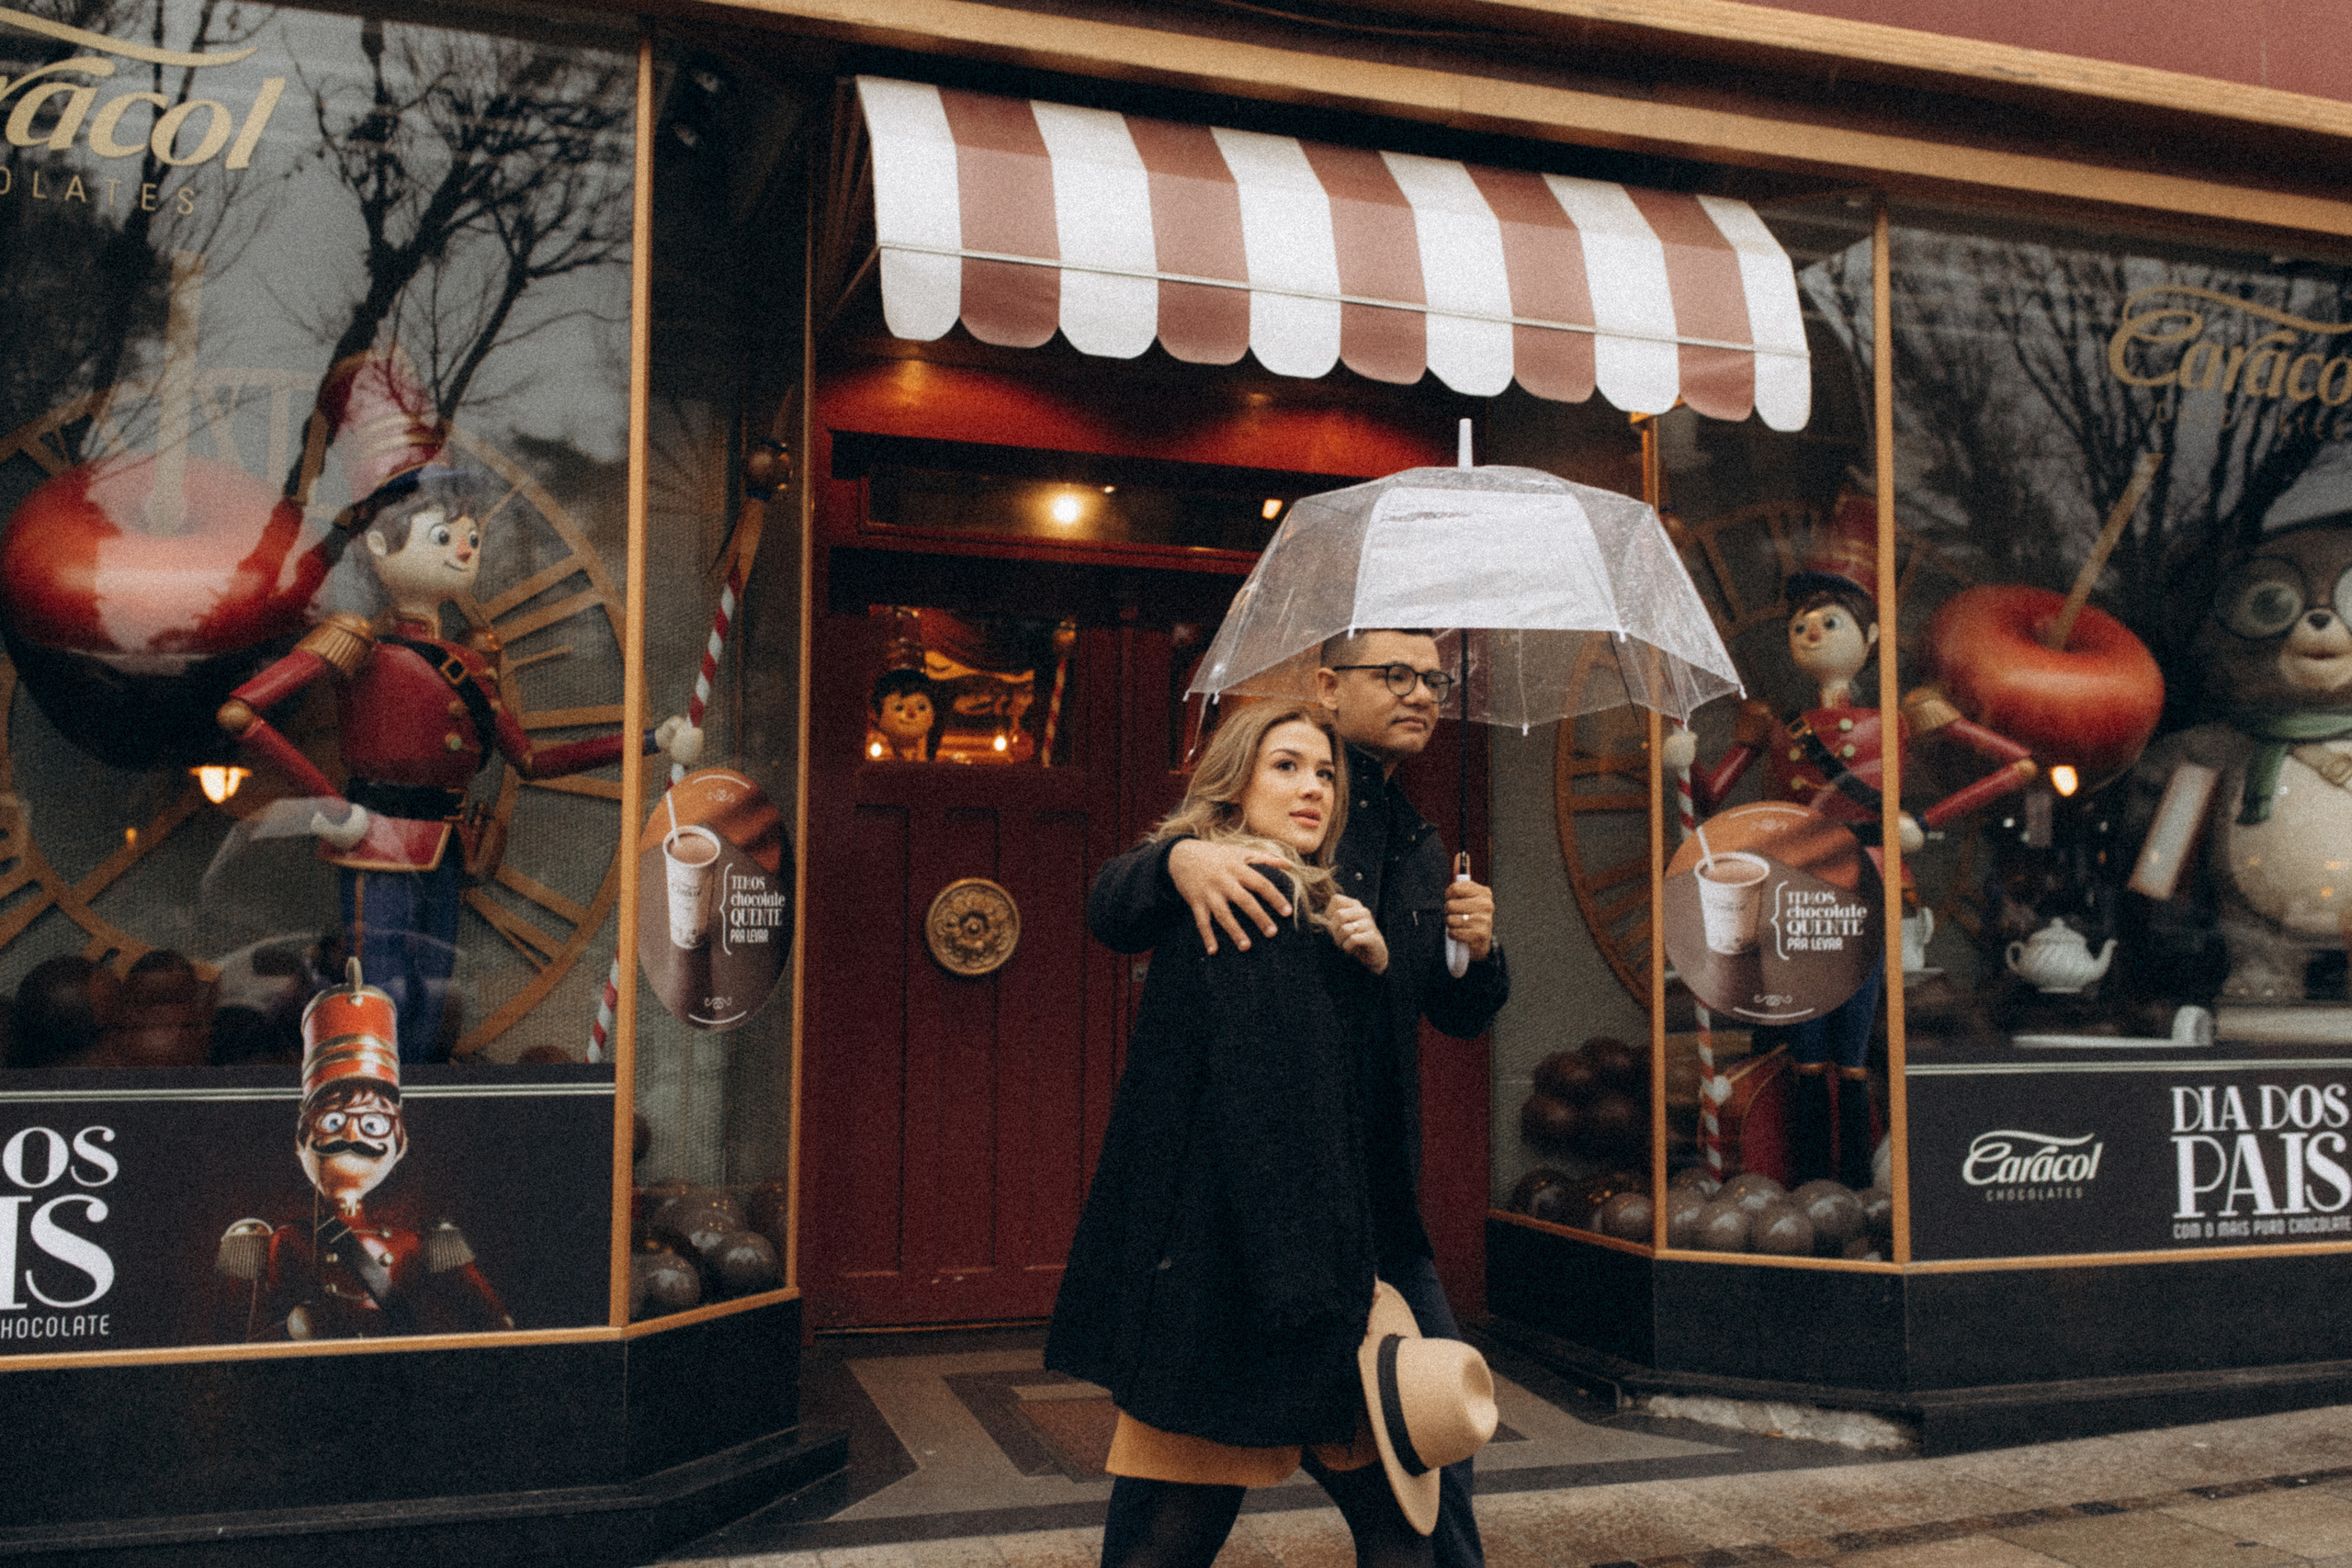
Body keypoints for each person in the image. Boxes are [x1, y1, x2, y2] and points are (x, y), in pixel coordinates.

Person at [1086, 630, 1507, 1568]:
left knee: (1423, 1458)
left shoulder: (1423, 842)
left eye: (1433, 680)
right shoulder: (1269, 825)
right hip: (1262, 1236)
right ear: (1329, 684)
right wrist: (1176, 861)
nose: (1420, 694)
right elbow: (1116, 907)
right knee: (1187, 1483)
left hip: (1374, 1212)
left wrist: (1472, 950)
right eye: (1392, 675)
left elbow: (1455, 1015)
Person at [218, 463, 700, 1062]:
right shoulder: (356, 641)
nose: (464, 549)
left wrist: (653, 739)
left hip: (446, 845)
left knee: (434, 991)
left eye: (471, 538)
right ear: (375, 546)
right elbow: (243, 714)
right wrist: (331, 803)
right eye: (443, 537)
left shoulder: (472, 666)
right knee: (382, 987)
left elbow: (531, 760)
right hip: (378, 836)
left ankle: (419, 1099)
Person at [1664, 507, 2030, 1186]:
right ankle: (1809, 1183)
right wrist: (1685, 763)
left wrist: (1926, 820)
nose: (1810, 632)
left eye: (1828, 621)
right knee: (1804, 1047)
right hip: (1797, 889)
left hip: (1871, 880)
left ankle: (1856, 1182)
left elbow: (2015, 766)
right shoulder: (1777, 725)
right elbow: (1714, 794)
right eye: (1801, 625)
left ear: (1872, 634)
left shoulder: (1904, 715)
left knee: (1854, 1049)